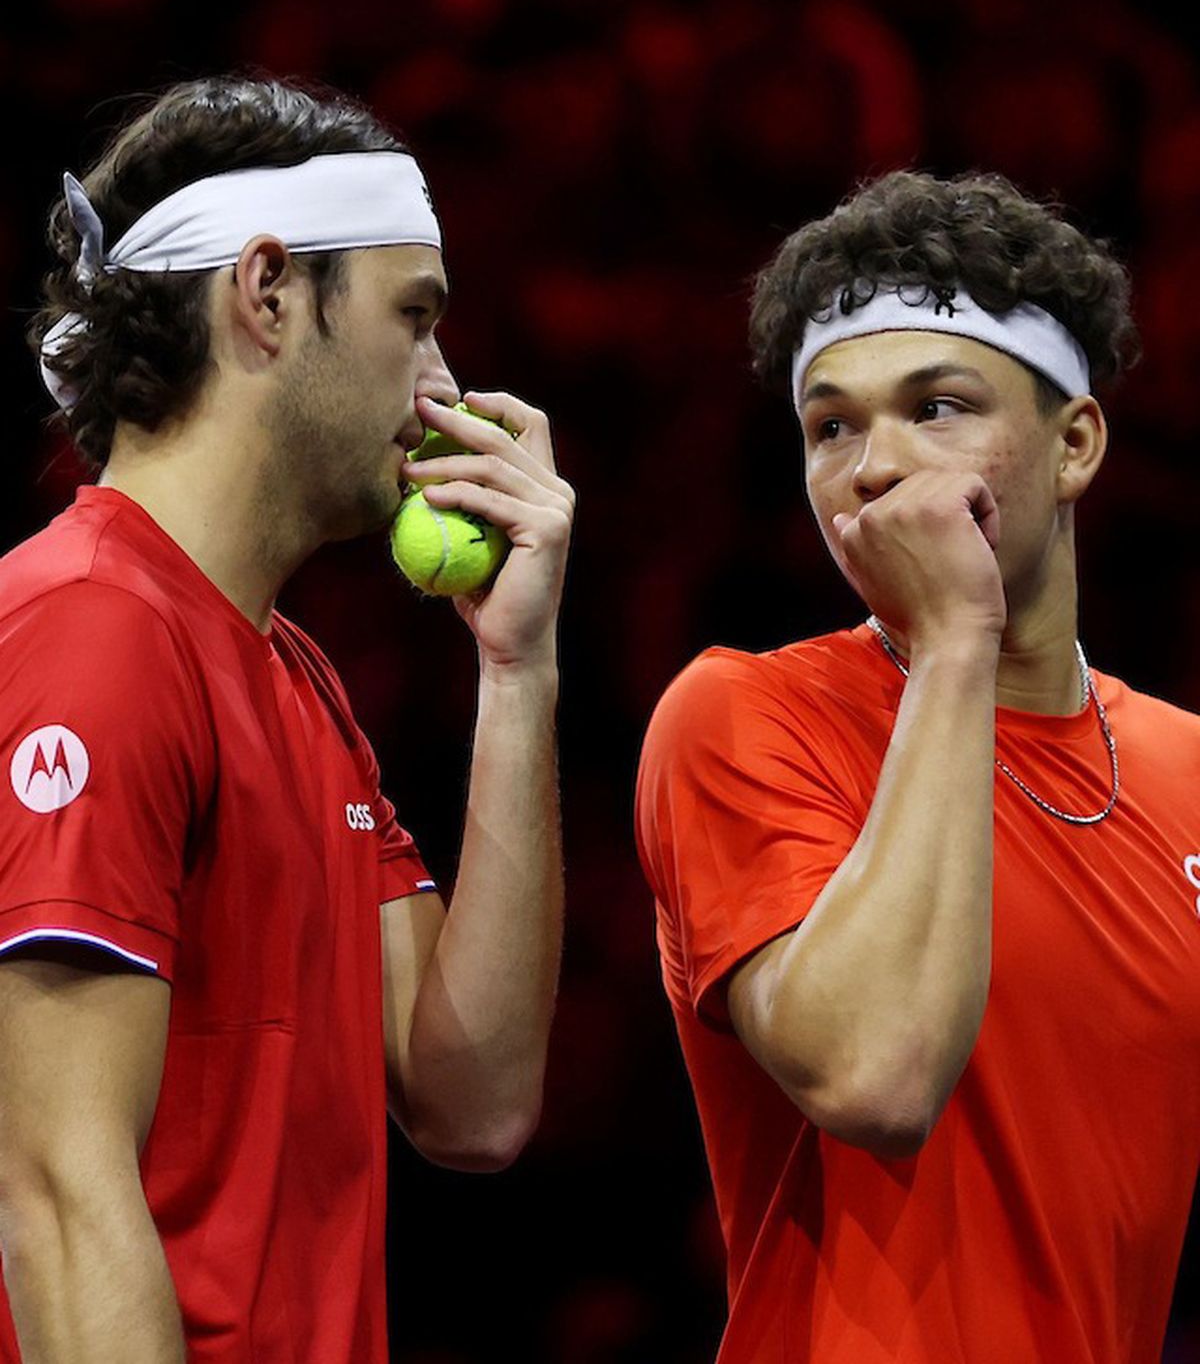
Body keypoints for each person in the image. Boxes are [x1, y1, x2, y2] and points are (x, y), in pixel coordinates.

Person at [0, 75, 573, 1363]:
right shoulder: (91, 631)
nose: (443, 386)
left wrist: (519, 671)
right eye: (413, 317)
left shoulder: (291, 674)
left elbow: (471, 1101)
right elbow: (57, 1193)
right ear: (265, 295)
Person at [635, 171, 1200, 1363]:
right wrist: (955, 642)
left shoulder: (1187, 766)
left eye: (937, 407)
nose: (873, 469)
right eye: (831, 426)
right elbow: (876, 1076)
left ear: (1077, 444)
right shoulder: (741, 715)